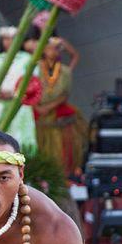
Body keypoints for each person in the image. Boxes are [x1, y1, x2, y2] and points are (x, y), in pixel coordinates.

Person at [35, 36, 87, 174]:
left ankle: (61, 173)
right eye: (49, 48)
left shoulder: (64, 71)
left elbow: (64, 95)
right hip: (38, 109)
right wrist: (37, 107)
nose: (53, 51)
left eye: (56, 49)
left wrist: (48, 107)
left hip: (56, 109)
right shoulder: (34, 68)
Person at [0, 27, 37, 155]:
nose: (8, 42)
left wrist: (17, 93)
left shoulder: (27, 58)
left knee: (20, 137)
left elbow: (34, 80)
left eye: (12, 39)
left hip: (20, 103)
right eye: (5, 39)